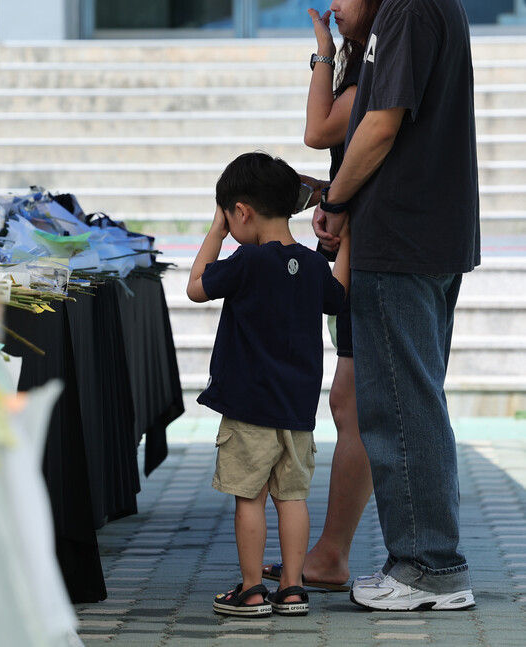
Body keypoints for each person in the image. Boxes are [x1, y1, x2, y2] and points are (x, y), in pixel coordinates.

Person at [313, 0, 480, 611]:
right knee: (410, 402)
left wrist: (333, 199)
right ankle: (425, 561)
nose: (332, 4)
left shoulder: (410, 9)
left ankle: (428, 568)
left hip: (404, 237)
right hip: (424, 235)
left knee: (401, 408)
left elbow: (380, 126)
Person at [187, 151, 349, 618]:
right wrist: (345, 237)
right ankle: (294, 589)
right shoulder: (312, 266)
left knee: (250, 499)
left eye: (228, 217)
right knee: (292, 498)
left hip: (248, 407)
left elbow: (196, 286)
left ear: (241, 211)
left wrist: (215, 233)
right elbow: (337, 296)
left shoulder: (245, 260)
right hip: (298, 412)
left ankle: (253, 590)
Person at [263, 0, 382, 593]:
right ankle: (330, 552)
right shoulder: (368, 53)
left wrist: (323, 53)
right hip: (352, 240)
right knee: (348, 402)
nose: (333, 6)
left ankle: (333, 554)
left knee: (352, 404)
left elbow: (317, 131)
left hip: (368, 245)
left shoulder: (375, 58)